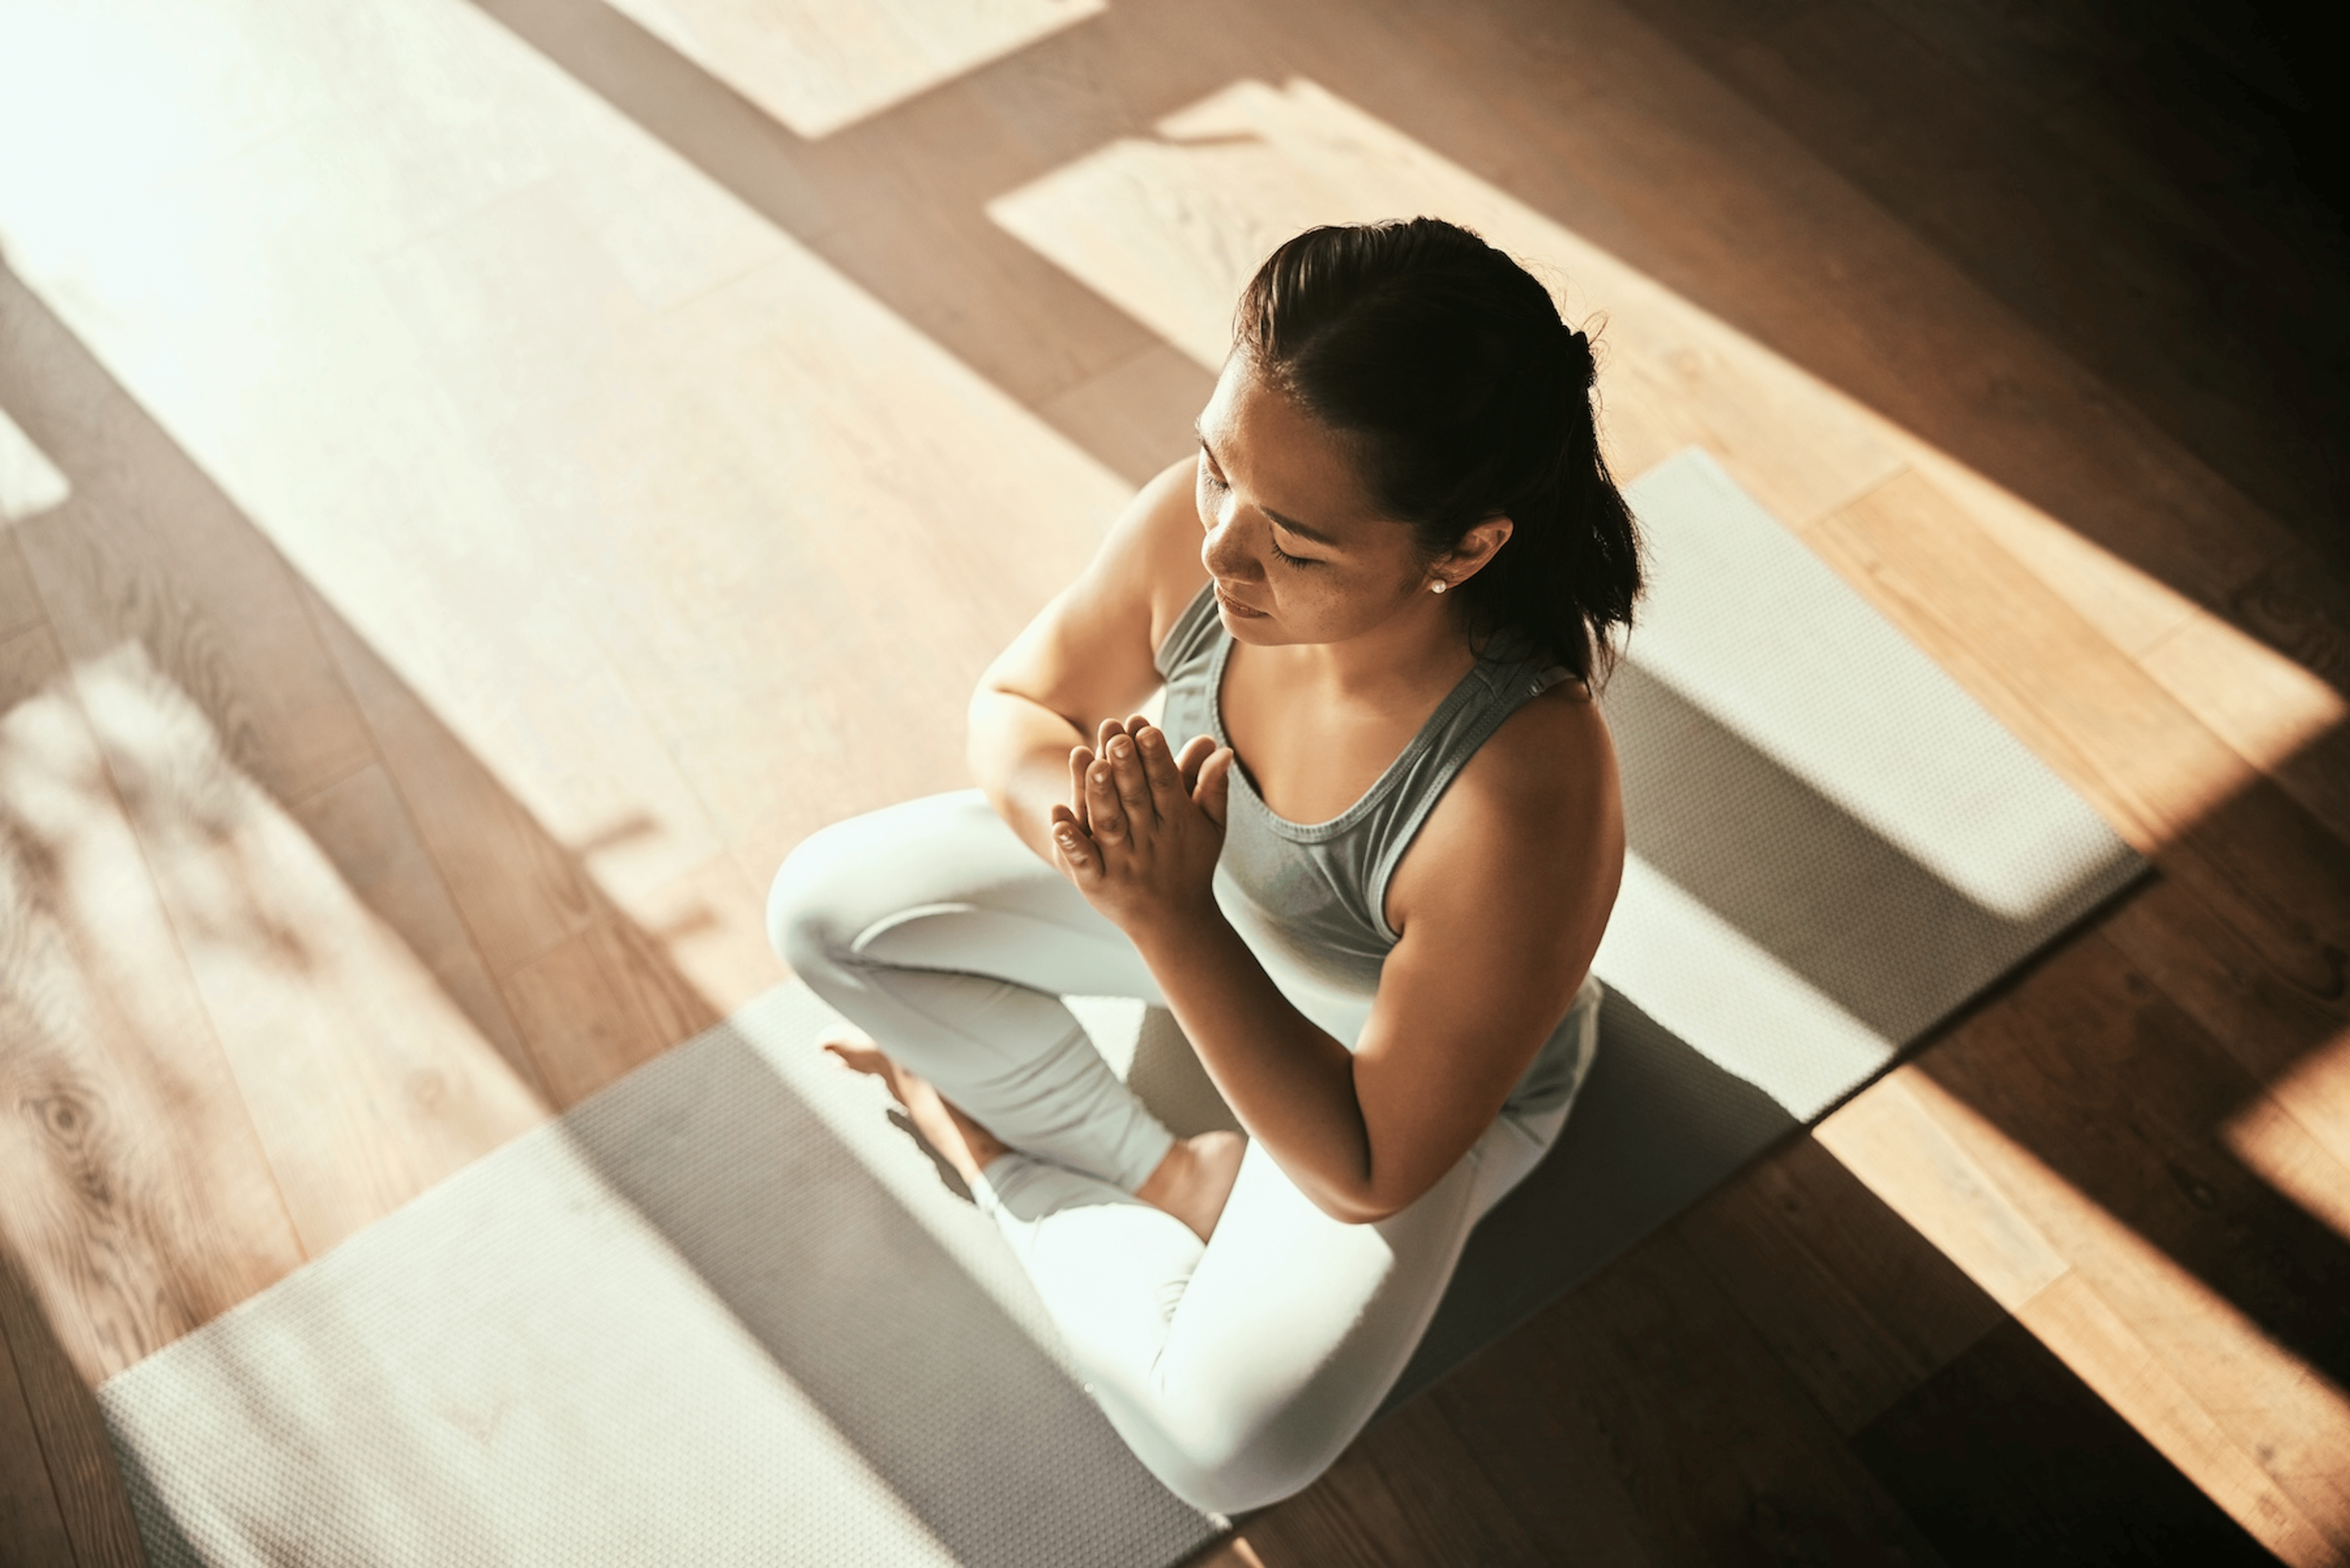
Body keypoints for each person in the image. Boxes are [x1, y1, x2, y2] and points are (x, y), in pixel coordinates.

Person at [767, 216, 1641, 1515]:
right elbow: (1018, 704)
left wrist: (1169, 915)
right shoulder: (1213, 539)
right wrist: (1113, 840)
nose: (1225, 549)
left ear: (1463, 552)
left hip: (1381, 1080)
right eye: (1214, 467)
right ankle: (1159, 1172)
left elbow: (1369, 1166)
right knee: (824, 914)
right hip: (1184, 903)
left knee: (1233, 1450)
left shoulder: (1526, 788)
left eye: (1298, 545)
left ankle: (988, 1149)